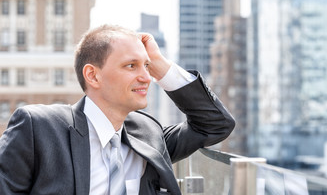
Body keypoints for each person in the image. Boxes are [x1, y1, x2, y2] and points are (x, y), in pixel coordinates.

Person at [0, 24, 235, 195]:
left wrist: (161, 66)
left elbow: (216, 123)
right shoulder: (38, 127)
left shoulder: (149, 134)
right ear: (93, 75)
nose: (145, 77)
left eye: (147, 66)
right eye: (131, 66)